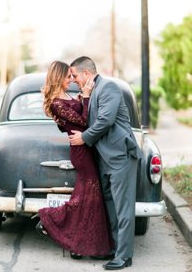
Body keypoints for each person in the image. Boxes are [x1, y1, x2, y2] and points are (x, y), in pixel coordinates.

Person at [68, 56, 142, 270]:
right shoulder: (91, 91)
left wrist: (84, 137)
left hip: (120, 157)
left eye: (74, 75)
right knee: (110, 207)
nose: (73, 80)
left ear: (86, 74)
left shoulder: (109, 87)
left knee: (123, 208)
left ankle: (125, 256)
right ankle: (115, 249)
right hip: (104, 158)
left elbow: (105, 121)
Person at [35, 61, 113, 260]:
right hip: (80, 151)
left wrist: (79, 99)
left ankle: (79, 245)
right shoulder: (56, 103)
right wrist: (85, 98)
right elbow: (84, 122)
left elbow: (74, 120)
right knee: (88, 195)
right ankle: (48, 218)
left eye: (72, 76)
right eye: (67, 76)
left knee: (88, 196)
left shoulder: (66, 97)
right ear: (58, 77)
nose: (71, 79)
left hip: (85, 148)